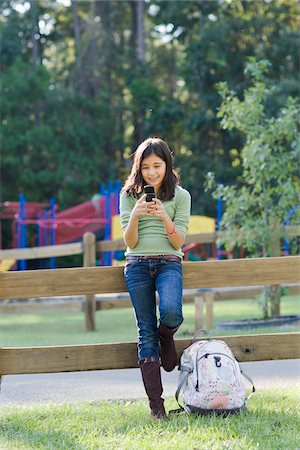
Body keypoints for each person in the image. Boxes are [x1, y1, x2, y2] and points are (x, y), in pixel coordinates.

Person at [120, 137, 191, 419]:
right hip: (136, 265)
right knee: (145, 330)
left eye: (157, 166)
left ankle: (167, 335)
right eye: (146, 166)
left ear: (167, 165)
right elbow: (130, 241)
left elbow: (178, 242)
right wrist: (136, 214)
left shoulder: (181, 196)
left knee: (172, 312)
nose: (152, 172)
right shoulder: (127, 195)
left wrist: (164, 217)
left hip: (168, 263)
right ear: (139, 167)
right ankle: (156, 407)